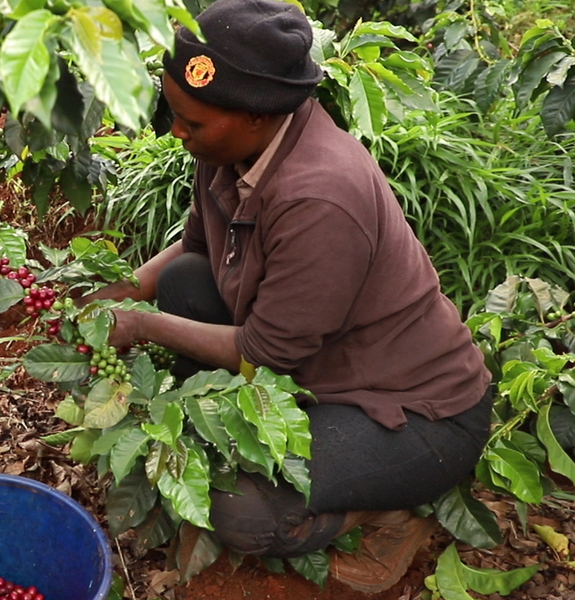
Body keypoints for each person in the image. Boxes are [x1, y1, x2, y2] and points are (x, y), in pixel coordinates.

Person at [84, 0, 493, 593]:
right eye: (175, 113)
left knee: (240, 512)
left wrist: (140, 325)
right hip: (316, 364)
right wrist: (119, 293)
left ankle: (388, 515)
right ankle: (327, 461)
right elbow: (193, 246)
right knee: (180, 283)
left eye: (191, 123)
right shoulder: (229, 150)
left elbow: (263, 353)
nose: (178, 132)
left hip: (415, 412)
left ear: (255, 114)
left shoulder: (320, 197)